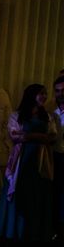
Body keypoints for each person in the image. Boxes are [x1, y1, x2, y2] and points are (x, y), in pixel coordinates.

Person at [0, 84, 56, 242]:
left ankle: (35, 231)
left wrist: (29, 135)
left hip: (41, 159)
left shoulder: (47, 116)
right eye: (40, 93)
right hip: (22, 158)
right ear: (31, 95)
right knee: (19, 188)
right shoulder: (17, 115)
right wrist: (39, 136)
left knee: (39, 191)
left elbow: (52, 137)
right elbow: (17, 137)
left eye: (45, 93)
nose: (44, 96)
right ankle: (16, 230)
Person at [51, 76, 64, 238]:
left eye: (63, 90)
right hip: (54, 155)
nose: (60, 94)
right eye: (58, 91)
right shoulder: (51, 112)